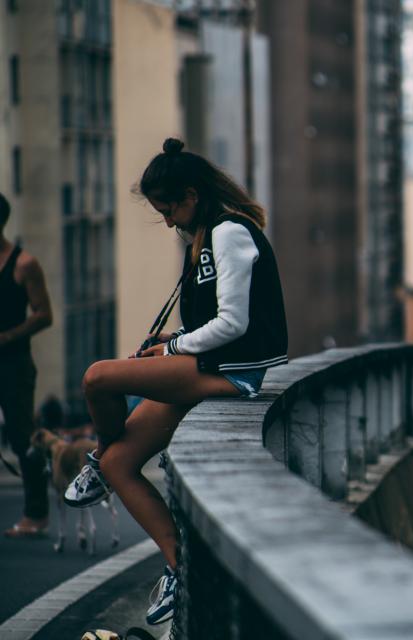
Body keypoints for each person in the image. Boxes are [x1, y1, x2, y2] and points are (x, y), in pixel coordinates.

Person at [62, 139, 288, 626]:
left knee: (97, 378)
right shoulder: (204, 235)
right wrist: (176, 338)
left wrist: (172, 349)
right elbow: (213, 320)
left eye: (168, 210)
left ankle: (96, 458)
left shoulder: (229, 232)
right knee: (124, 463)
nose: (167, 221)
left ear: (190, 196)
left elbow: (234, 324)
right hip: (211, 367)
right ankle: (178, 566)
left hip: (232, 373)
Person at [0, 192, 54, 538]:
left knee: (23, 438)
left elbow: (44, 314)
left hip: (14, 363)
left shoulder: (23, 264)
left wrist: (6, 337)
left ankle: (36, 514)